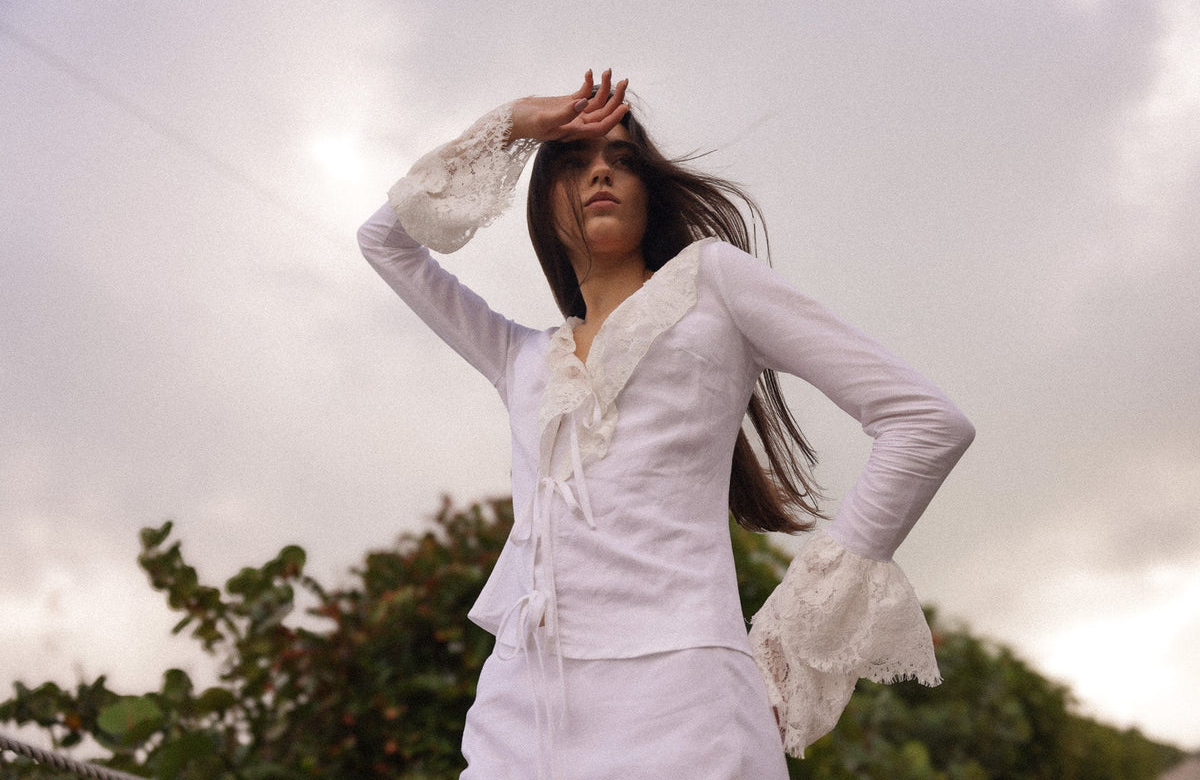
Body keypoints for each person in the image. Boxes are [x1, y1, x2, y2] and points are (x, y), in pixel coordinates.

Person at [357, 70, 974, 780]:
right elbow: (385, 243)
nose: (600, 175)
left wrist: (788, 645)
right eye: (575, 162)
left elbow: (927, 422)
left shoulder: (713, 283)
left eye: (622, 162)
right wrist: (517, 125)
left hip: (684, 708)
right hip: (518, 714)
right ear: (543, 199)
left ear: (649, 189)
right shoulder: (520, 359)